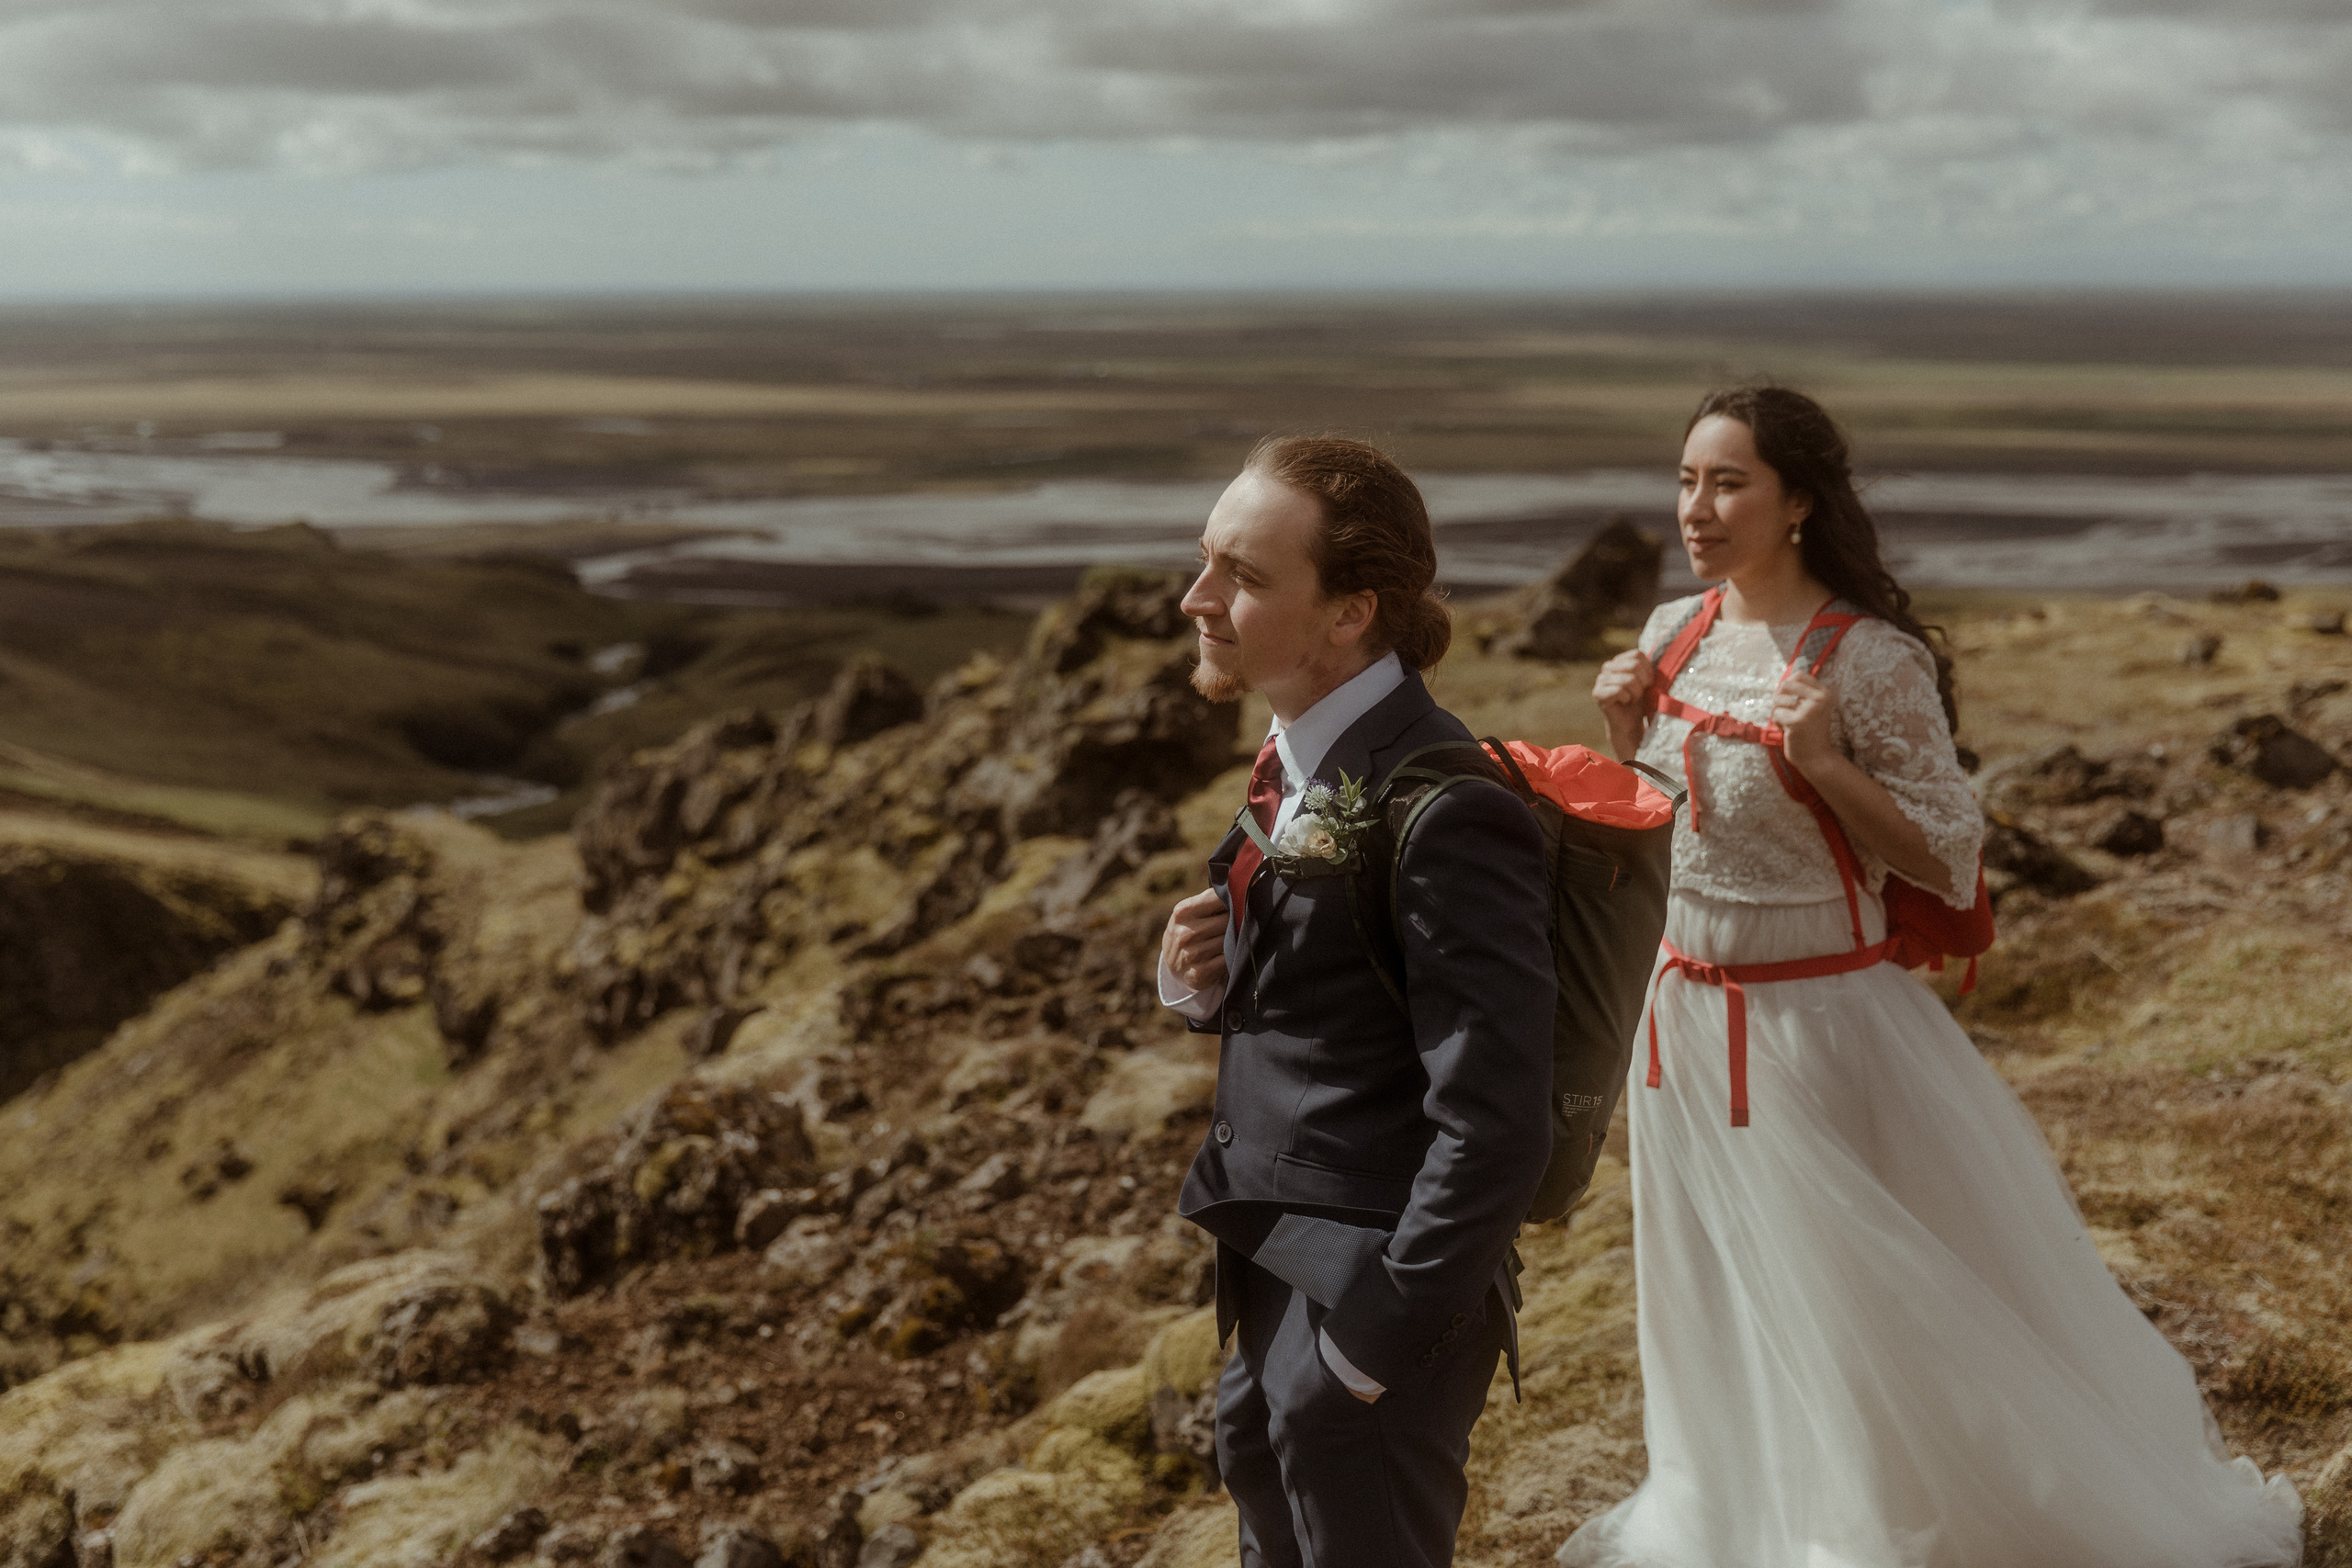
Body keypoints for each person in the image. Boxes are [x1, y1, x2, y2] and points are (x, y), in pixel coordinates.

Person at [1558, 387, 2304, 1568]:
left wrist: (1824, 762)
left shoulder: (1871, 658)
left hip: (1814, 1028)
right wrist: (1619, 736)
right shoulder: (1668, 633)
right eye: (1687, 480)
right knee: (1711, 1288)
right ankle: (1741, 1522)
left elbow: (1949, 857)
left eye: (1729, 482)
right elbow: (1674, 824)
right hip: (1682, 1021)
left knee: (1849, 1304)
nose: (1696, 508)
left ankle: (1870, 1534)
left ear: (1798, 503)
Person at [1159, 434, 1557, 1568]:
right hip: (1276, 1268)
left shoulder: (1448, 808)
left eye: (1242, 574)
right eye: (1205, 560)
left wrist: (1364, 1354)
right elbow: (1336, 992)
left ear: (1349, 613)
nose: (1196, 598)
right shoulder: (1295, 758)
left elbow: (1497, 1123)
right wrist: (1199, 981)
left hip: (1369, 1297)